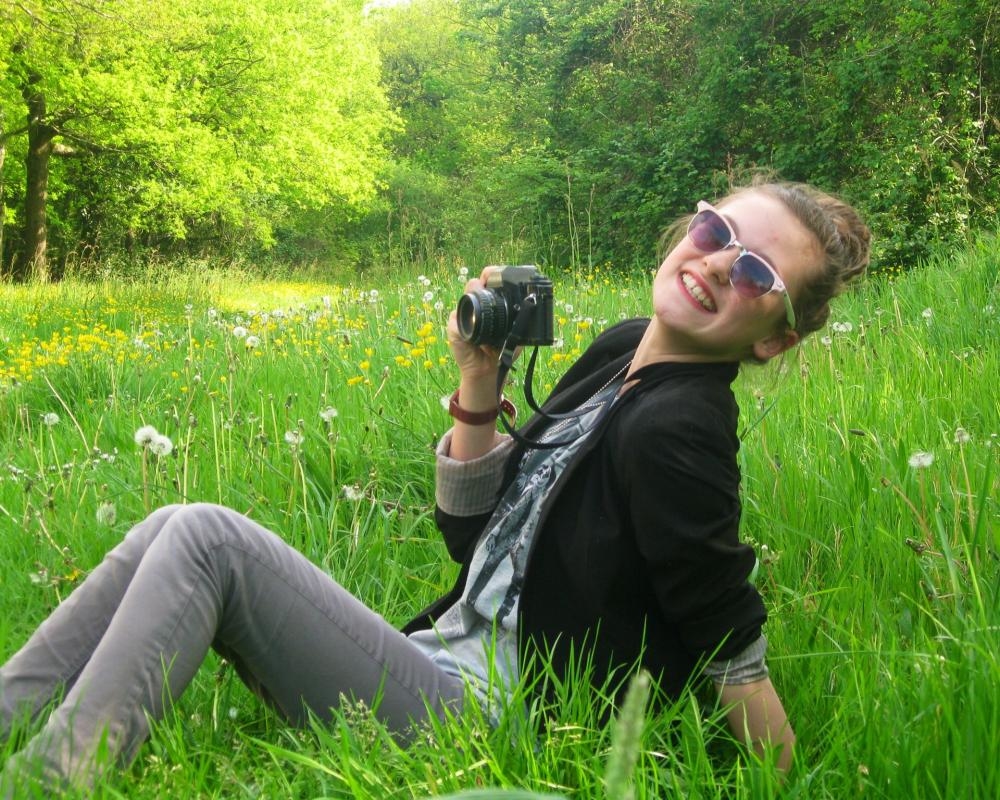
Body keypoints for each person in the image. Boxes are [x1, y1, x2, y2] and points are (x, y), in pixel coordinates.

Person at [0, 180, 870, 795]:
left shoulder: (682, 425)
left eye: (757, 275)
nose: (718, 264)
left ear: (773, 339)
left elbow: (724, 631)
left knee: (204, 538)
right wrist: (478, 380)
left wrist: (785, 781)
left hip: (486, 725)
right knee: (170, 523)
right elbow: (475, 537)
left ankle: (55, 781)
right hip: (433, 664)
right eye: (718, 232)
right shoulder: (622, 350)